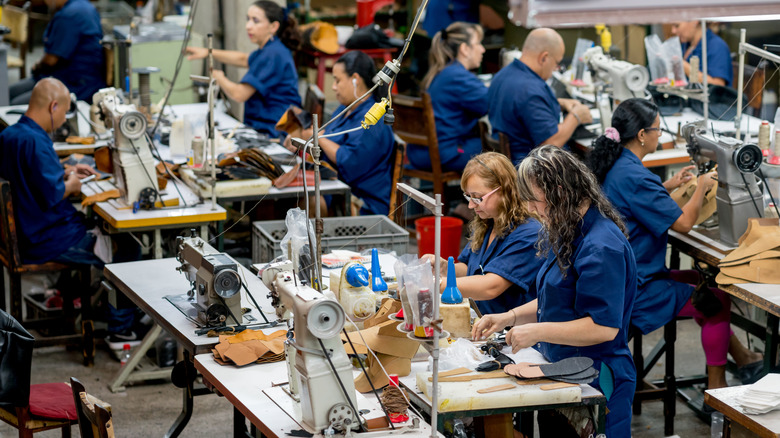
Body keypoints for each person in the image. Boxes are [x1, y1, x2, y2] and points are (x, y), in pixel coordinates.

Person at [587, 98, 763, 390]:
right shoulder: (637, 177)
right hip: (637, 288)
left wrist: (666, 187)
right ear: (642, 135)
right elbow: (682, 223)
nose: (661, 135)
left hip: (620, 277)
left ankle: (743, 359)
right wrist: (703, 185)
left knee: (705, 283)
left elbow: (634, 198)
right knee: (715, 301)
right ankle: (717, 391)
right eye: (658, 129)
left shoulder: (615, 165)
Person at [473, 145, 636, 437]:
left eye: (535, 201)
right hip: (561, 368)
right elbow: (557, 298)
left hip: (595, 376)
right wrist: (508, 317)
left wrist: (537, 332)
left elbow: (603, 327)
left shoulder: (601, 246)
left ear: (560, 191)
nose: (531, 210)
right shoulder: (568, 227)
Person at [0, 78, 141, 345]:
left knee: (103, 230)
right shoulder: (37, 143)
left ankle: (109, 307)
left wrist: (64, 170)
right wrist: (72, 184)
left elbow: (29, 176)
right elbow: (53, 192)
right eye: (64, 112)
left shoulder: (11, 134)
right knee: (127, 247)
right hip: (46, 239)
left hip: (25, 232)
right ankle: (121, 329)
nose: (64, 120)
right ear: (53, 106)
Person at [423, 152, 543, 315]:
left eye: (478, 198)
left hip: (509, 330)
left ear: (504, 191)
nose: (471, 205)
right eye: (469, 197)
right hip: (480, 317)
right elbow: (470, 268)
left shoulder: (530, 234)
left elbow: (490, 286)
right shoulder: (488, 221)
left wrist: (435, 284)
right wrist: (445, 268)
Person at [284, 51, 394, 216]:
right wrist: (300, 138)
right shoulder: (345, 109)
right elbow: (327, 137)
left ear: (355, 79)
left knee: (309, 199)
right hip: (334, 189)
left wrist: (317, 137)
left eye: (337, 80)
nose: (333, 86)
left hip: (361, 203)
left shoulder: (373, 120)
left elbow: (351, 161)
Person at [186, 1, 301, 138]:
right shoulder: (271, 48)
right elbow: (243, 59)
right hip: (264, 125)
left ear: (273, 26)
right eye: (248, 19)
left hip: (274, 130)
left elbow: (239, 94)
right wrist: (208, 52)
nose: (248, 26)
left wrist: (220, 78)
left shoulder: (272, 54)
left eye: (255, 21)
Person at [487, 28, 592, 163]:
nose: (555, 69)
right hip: (530, 171)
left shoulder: (502, 75)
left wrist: (559, 103)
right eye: (556, 63)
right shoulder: (530, 90)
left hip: (508, 164)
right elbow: (550, 143)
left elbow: (520, 108)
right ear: (544, 58)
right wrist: (576, 116)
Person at [407, 22, 488, 173]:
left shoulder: (443, 72)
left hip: (421, 152)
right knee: (496, 150)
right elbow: (489, 104)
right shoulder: (458, 77)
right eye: (478, 43)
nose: (482, 49)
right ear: (464, 49)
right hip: (447, 153)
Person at [9, 0, 106, 105]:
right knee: (8, 93)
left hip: (76, 84)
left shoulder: (69, 16)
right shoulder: (83, 5)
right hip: (63, 76)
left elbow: (51, 60)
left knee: (16, 103)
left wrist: (37, 66)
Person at [671, 21, 733, 87]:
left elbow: (718, 86)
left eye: (677, 25)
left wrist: (682, 64)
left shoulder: (717, 46)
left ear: (695, 21)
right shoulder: (685, 45)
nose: (673, 31)